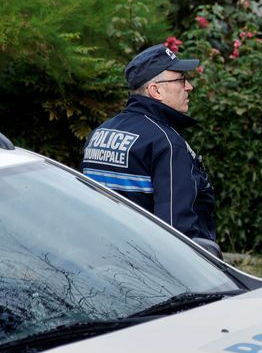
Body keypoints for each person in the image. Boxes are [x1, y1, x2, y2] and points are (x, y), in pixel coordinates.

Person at [83, 43, 217, 244]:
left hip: (102, 253)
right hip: (145, 265)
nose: (189, 87)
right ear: (156, 91)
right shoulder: (167, 144)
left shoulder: (100, 133)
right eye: (181, 80)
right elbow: (175, 234)